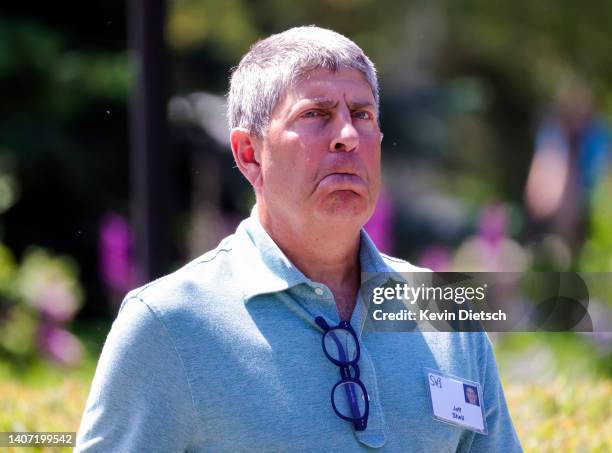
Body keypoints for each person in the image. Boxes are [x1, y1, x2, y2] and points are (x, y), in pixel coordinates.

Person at [76, 26, 522, 452]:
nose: (347, 136)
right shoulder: (166, 325)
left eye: (362, 115)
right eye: (315, 115)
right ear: (249, 154)